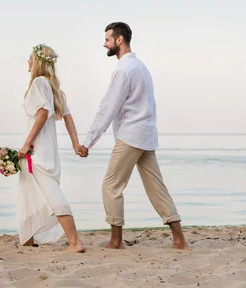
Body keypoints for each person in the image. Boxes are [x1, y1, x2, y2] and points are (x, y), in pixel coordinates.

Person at [79, 22, 189, 250]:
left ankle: (116, 240)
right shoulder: (141, 66)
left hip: (131, 136)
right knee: (157, 188)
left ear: (119, 40)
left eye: (107, 39)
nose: (104, 44)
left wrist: (88, 141)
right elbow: (150, 104)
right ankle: (179, 240)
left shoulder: (123, 70)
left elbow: (107, 108)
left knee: (111, 185)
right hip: (146, 135)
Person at [17, 43, 85, 253]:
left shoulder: (38, 83)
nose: (27, 61)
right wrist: (75, 144)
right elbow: (68, 118)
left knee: (52, 194)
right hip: (48, 149)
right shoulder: (53, 87)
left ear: (37, 61)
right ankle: (28, 238)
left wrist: (27, 144)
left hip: (37, 149)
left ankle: (75, 242)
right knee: (31, 189)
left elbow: (43, 114)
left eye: (30, 57)